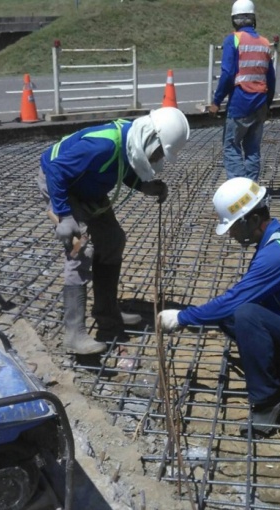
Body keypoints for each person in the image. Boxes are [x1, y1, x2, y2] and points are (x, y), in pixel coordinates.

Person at [158, 178, 280, 436]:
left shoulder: (276, 254)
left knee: (244, 312)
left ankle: (269, 400)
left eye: (232, 226)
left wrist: (183, 318)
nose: (230, 234)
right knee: (229, 312)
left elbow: (235, 301)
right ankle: (273, 366)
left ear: (252, 220)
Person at [38, 107, 191, 355]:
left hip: (88, 187)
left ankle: (107, 311)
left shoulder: (130, 141)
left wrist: (144, 186)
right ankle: (74, 334)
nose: (157, 158)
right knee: (81, 251)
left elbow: (124, 167)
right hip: (60, 187)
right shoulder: (102, 146)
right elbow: (56, 170)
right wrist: (64, 215)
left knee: (112, 239)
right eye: (159, 152)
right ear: (150, 139)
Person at [209, 0, 276, 181]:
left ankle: (239, 191)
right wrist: (267, 105)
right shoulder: (263, 43)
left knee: (231, 146)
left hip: (240, 104)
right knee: (253, 149)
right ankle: (251, 188)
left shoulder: (233, 40)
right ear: (253, 19)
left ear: (234, 20)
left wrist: (216, 102)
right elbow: (271, 78)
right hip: (260, 103)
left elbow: (227, 74)